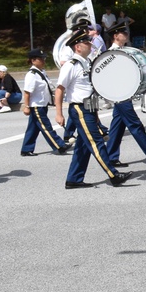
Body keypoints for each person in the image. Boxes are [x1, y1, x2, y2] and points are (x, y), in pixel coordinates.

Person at [54, 26, 131, 189]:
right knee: (96, 142)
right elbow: (60, 89)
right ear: (78, 46)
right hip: (79, 109)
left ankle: (74, 179)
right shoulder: (71, 65)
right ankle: (113, 175)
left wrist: (95, 113)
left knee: (83, 147)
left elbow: (90, 89)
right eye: (87, 42)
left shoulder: (87, 63)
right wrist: (59, 113)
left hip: (89, 108)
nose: (90, 44)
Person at [104, 23, 146, 167]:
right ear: (116, 36)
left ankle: (111, 157)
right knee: (135, 124)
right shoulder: (111, 54)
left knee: (118, 126)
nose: (127, 35)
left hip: (124, 93)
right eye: (124, 33)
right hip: (119, 94)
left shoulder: (122, 51)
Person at [20, 48, 71, 157]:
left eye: (44, 58)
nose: (44, 61)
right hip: (36, 106)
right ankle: (59, 145)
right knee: (46, 127)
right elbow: (27, 92)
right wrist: (26, 106)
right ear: (33, 60)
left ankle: (26, 149)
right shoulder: (32, 74)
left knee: (33, 128)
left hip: (43, 104)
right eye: (41, 59)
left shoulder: (41, 72)